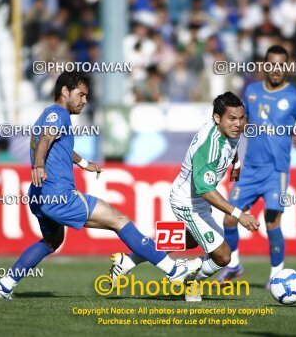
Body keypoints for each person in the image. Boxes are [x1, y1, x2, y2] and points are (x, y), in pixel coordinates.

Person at [0, 72, 201, 300]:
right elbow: (46, 140)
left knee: (52, 241)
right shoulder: (57, 114)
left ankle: (4, 286)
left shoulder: (48, 115)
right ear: (65, 92)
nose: (85, 101)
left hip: (39, 195)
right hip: (60, 195)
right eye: (81, 95)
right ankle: (174, 271)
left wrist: (84, 163)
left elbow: (57, 145)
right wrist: (38, 164)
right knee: (120, 221)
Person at [109, 92, 260, 301]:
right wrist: (239, 214)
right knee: (223, 255)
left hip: (195, 199)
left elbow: (232, 146)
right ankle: (191, 285)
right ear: (217, 118)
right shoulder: (208, 147)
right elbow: (206, 191)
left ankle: (128, 261)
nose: (238, 124)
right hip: (188, 202)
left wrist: (236, 163)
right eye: (232, 119)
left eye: (241, 118)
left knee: (187, 242)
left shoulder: (229, 131)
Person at [219, 45, 296, 288]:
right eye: (271, 64)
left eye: (281, 65)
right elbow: (241, 124)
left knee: (272, 221)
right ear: (264, 66)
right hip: (250, 169)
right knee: (229, 220)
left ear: (287, 67)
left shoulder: (295, 97)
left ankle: (277, 274)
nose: (276, 70)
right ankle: (233, 265)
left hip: (277, 171)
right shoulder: (252, 91)